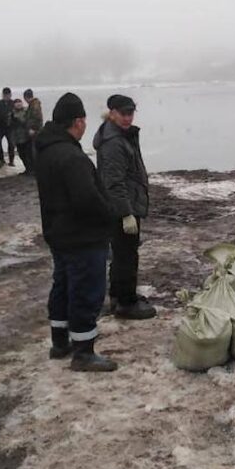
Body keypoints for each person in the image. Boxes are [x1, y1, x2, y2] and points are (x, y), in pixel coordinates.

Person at [35, 92, 118, 372]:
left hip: (59, 233)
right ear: (78, 122)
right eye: (84, 120)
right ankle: (83, 352)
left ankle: (60, 342)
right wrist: (109, 215)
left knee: (63, 285)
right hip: (82, 236)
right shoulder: (71, 156)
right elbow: (87, 199)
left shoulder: (46, 150)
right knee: (86, 291)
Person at [93, 94, 155, 320]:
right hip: (122, 207)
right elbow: (114, 182)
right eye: (124, 113)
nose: (128, 117)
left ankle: (118, 295)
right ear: (112, 113)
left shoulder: (121, 134)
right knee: (127, 254)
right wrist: (126, 213)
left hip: (127, 203)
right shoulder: (113, 142)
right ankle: (127, 303)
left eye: (131, 113)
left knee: (122, 253)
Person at [0, 87, 16, 166]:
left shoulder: (13, 104)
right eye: (5, 95)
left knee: (12, 144)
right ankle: (2, 160)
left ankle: (11, 161)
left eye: (8, 95)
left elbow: (18, 114)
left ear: (10, 95)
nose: (6, 97)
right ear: (2, 95)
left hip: (10, 128)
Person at [23, 89, 44, 174]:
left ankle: (36, 170)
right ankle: (33, 170)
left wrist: (33, 129)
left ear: (26, 97)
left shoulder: (34, 106)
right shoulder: (32, 105)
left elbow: (37, 118)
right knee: (31, 150)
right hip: (33, 131)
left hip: (35, 131)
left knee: (34, 150)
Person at [11, 99, 34, 171]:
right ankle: (27, 169)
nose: (18, 104)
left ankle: (31, 169)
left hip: (26, 137)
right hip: (17, 137)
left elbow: (27, 121)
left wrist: (18, 118)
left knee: (29, 154)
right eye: (16, 103)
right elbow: (9, 125)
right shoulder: (12, 112)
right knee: (21, 154)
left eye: (19, 103)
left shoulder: (26, 111)